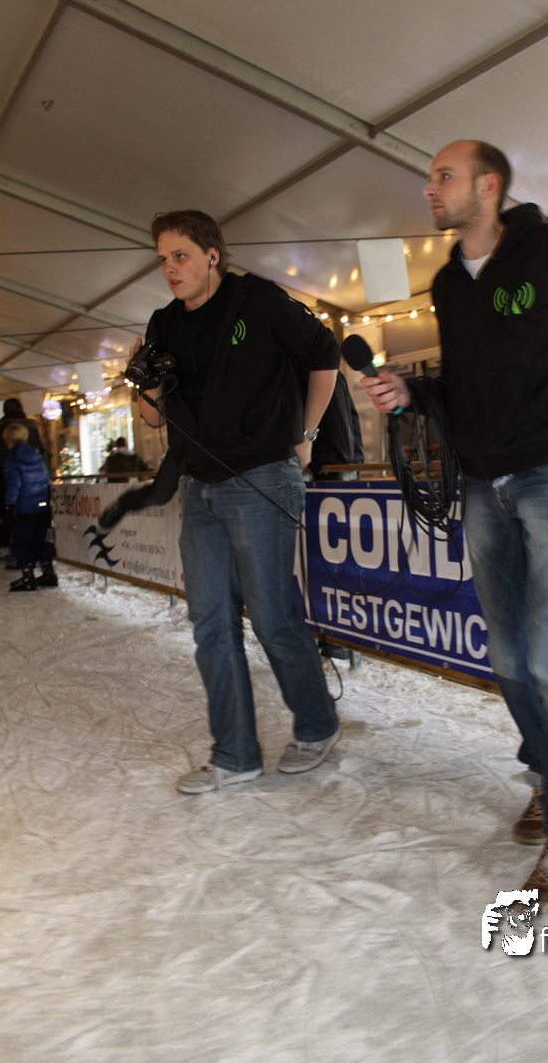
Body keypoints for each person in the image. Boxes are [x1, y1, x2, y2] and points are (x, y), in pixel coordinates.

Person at [362, 140, 548, 910]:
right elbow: (461, 386)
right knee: (510, 658)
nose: (429, 188)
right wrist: (411, 395)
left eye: (443, 176)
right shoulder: (447, 282)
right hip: (482, 486)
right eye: (430, 177)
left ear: (489, 186)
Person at [132, 209, 341, 793]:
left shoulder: (258, 301)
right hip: (198, 488)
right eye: (163, 259)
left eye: (180, 256)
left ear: (212, 255)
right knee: (210, 623)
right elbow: (154, 417)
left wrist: (307, 433)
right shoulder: (163, 322)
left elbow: (325, 353)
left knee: (272, 617)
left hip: (261, 479)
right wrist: (143, 383)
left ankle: (317, 725)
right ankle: (235, 754)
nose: (171, 269)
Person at [2, 421, 57, 592]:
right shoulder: (36, 454)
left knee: (21, 542)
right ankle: (48, 572)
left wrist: (9, 505)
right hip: (42, 505)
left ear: (8, 440)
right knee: (40, 540)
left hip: (25, 506)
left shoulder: (12, 460)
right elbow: (45, 478)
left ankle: (28, 576)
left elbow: (15, 485)